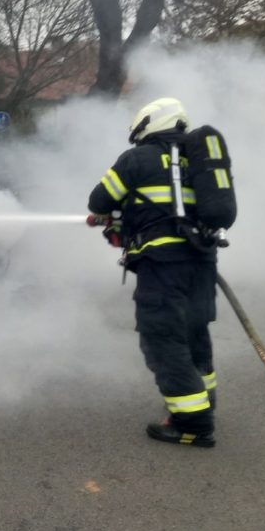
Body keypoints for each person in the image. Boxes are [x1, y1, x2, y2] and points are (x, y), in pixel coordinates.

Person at [88, 97, 219, 447]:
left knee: (163, 338)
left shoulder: (137, 159)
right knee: (194, 333)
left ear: (150, 125)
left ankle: (192, 423)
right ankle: (204, 404)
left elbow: (99, 201)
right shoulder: (197, 159)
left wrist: (117, 213)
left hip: (162, 265)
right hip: (202, 263)